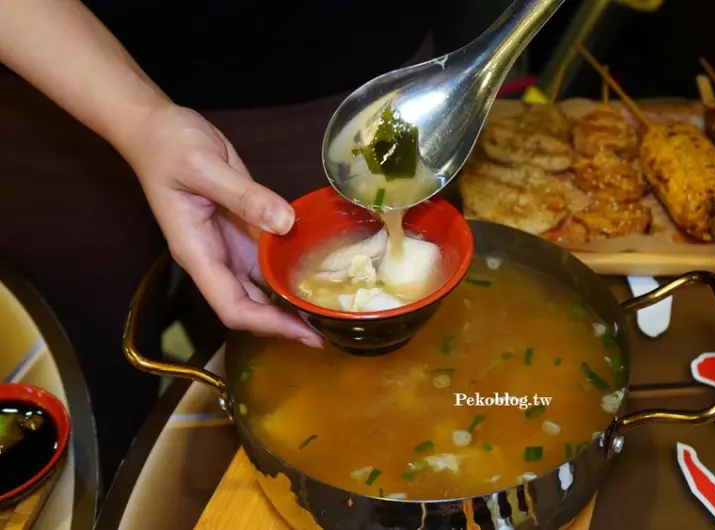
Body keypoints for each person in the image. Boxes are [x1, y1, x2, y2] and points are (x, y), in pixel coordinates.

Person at [0, 0, 439, 489]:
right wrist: (140, 119)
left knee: (320, 378)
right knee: (78, 406)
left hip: (335, 75)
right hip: (47, 66)